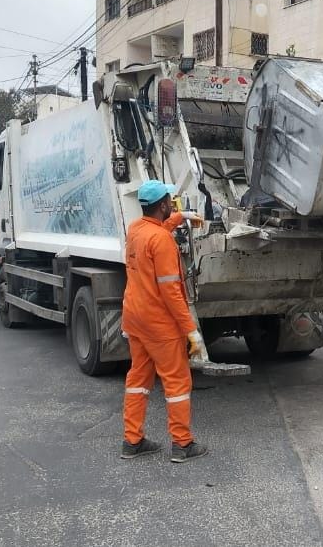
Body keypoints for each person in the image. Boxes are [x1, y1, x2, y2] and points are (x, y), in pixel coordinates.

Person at [120, 179, 208, 462]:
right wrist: (190, 331)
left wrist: (182, 216)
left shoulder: (136, 229)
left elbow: (158, 228)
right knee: (177, 382)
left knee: (138, 379)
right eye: (170, 200)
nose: (172, 203)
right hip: (159, 324)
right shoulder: (163, 241)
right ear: (162, 205)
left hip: (135, 319)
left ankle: (132, 441)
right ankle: (182, 444)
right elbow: (171, 292)